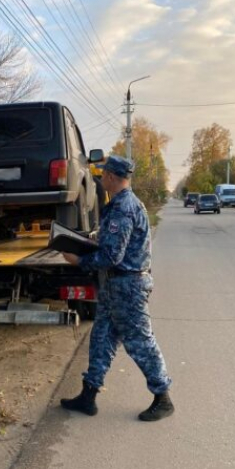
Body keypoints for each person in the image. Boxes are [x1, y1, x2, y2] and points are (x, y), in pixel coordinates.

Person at [61, 155, 174, 422]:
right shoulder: (119, 204)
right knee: (101, 339)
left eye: (103, 176)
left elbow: (112, 255)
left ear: (112, 176)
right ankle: (88, 396)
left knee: (140, 342)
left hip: (128, 287)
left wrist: (80, 260)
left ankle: (163, 397)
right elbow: (110, 244)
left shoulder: (124, 208)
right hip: (116, 285)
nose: (100, 180)